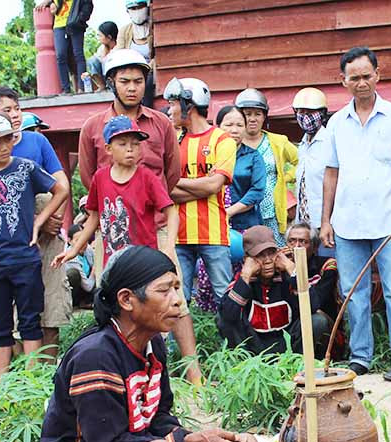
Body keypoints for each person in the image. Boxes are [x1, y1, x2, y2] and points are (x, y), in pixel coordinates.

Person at [41, 245, 261, 442]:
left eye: (177, 288)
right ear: (127, 300)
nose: (178, 302)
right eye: (164, 291)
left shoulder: (153, 344)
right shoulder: (95, 356)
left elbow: (160, 417)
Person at [78, 49, 201, 384]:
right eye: (124, 81)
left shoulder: (160, 122)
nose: (132, 87)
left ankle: (194, 376)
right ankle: (122, 371)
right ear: (111, 83)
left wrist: (162, 226)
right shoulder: (93, 126)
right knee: (117, 300)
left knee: (173, 300)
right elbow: (90, 177)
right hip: (114, 229)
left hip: (156, 227)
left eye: (138, 80)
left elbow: (171, 173)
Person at [320, 46, 391, 382]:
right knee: (354, 292)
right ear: (344, 81)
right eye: (354, 78)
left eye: (367, 76)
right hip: (348, 222)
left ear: (378, 75)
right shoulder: (336, 123)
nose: (361, 83)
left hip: (390, 221)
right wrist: (325, 220)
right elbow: (331, 173)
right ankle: (360, 357)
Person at [0, 112, 69, 378]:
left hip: (25, 258)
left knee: (30, 322)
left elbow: (61, 190)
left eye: (8, 139)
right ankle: (3, 385)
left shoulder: (26, 168)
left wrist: (40, 220)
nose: (3, 146)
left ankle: (30, 383)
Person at [56, 116, 177, 274]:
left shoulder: (148, 178)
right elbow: (94, 218)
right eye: (122, 144)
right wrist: (73, 250)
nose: (130, 149)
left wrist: (169, 247)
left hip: (144, 261)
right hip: (113, 263)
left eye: (135, 144)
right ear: (108, 149)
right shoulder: (100, 178)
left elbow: (171, 212)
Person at [163, 78, 236, 305]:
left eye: (174, 103)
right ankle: (176, 343)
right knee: (177, 298)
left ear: (189, 105)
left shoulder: (222, 139)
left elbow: (215, 186)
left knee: (225, 296)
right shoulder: (172, 140)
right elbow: (164, 188)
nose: (170, 109)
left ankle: (234, 342)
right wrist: (204, 185)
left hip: (213, 232)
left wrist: (177, 182)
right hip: (177, 234)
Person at [218, 225, 331, 355]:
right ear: (247, 259)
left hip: (287, 346)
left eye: (271, 253)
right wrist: (246, 275)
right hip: (254, 347)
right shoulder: (244, 279)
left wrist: (292, 269)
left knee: (317, 321)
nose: (267, 261)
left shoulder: (287, 277)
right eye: (260, 255)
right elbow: (227, 316)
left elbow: (312, 306)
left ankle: (297, 364)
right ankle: (247, 367)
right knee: (224, 319)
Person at [236, 88, 298, 246]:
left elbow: (301, 161)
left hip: (271, 211)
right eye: (247, 114)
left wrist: (286, 178)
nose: (252, 119)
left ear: (264, 117)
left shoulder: (278, 141)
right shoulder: (231, 144)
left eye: (257, 114)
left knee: (275, 253)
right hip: (241, 212)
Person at [216, 105, 266, 233]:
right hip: (212, 223)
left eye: (239, 125)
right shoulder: (208, 155)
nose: (234, 130)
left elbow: (257, 191)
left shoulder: (253, 157)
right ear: (218, 127)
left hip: (246, 224)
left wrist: (229, 212)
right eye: (229, 125)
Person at [292, 88, 332, 239]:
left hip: (324, 222)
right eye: (301, 112)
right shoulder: (303, 145)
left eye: (310, 113)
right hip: (304, 223)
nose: (305, 117)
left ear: (322, 114)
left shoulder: (329, 142)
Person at [286, 221, 339, 322]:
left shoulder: (326, 265)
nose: (296, 246)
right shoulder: (281, 265)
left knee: (318, 321)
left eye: (303, 242)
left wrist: (293, 271)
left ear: (315, 247)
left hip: (315, 321)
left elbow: (314, 304)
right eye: (291, 241)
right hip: (289, 322)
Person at [38, 0, 93, 94]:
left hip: (75, 23)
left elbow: (88, 5)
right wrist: (49, 3)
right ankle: (65, 89)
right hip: (59, 26)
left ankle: (81, 87)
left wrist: (80, 19)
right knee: (60, 56)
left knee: (78, 55)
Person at [117, 1, 155, 106]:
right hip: (130, 69)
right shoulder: (125, 31)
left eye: (140, 7)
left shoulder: (154, 29)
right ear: (128, 11)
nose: (137, 11)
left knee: (147, 80)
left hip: (150, 71)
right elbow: (120, 52)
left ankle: (146, 109)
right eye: (133, 9)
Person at [65, 223, 95, 308]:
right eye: (77, 240)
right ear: (70, 241)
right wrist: (94, 270)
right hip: (78, 291)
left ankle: (87, 302)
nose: (82, 243)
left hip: (88, 284)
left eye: (84, 239)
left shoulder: (88, 249)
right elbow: (88, 287)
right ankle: (78, 303)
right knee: (73, 274)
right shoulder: (71, 258)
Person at [87, 21, 119, 92]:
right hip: (105, 75)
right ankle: (102, 86)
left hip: (115, 75)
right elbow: (94, 63)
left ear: (109, 37)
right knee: (92, 60)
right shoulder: (101, 48)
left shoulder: (118, 47)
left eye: (100, 36)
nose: (99, 38)